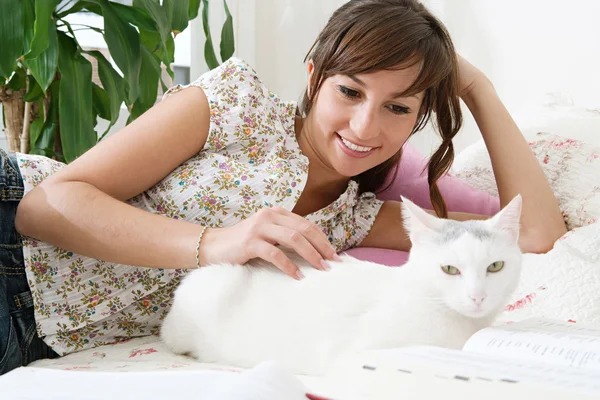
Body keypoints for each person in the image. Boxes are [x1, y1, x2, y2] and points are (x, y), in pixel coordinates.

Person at [0, 0, 566, 375]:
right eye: (350, 91)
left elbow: (534, 234)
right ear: (315, 74)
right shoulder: (232, 105)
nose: (366, 127)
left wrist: (477, 88)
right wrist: (214, 243)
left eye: (398, 107)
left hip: (43, 336)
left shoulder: (356, 217)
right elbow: (44, 206)